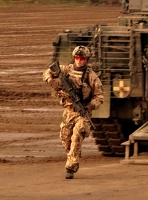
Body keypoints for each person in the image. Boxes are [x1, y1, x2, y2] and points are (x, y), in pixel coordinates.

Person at [43, 46, 104, 179]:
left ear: (86, 60)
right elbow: (47, 72)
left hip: (82, 112)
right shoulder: (66, 69)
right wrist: (51, 81)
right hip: (68, 111)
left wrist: (90, 106)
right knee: (66, 138)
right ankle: (73, 153)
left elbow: (99, 97)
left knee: (78, 134)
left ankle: (71, 166)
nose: (79, 61)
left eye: (82, 59)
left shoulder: (92, 77)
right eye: (77, 58)